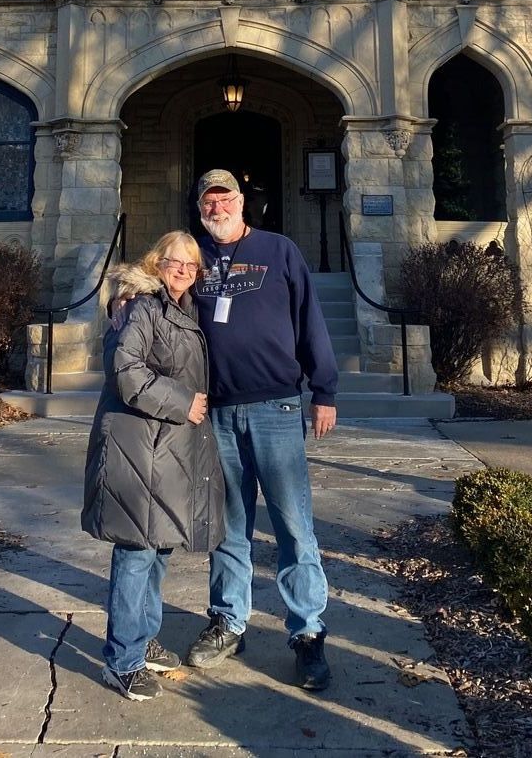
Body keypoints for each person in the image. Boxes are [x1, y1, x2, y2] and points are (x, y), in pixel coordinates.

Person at [186, 170, 338, 691]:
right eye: (208, 199)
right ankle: (229, 621)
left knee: (293, 525)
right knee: (228, 527)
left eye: (225, 196)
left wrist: (325, 389)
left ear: (242, 201)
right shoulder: (192, 257)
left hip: (275, 408)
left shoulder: (279, 250)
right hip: (217, 413)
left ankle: (307, 632)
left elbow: (309, 317)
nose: (217, 206)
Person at [81, 230, 225, 701]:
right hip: (137, 447)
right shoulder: (141, 307)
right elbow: (126, 371)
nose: (183, 270)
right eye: (174, 262)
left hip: (167, 450)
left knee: (158, 547)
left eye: (191, 265)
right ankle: (121, 660)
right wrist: (183, 401)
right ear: (156, 262)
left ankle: (142, 640)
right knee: (136, 551)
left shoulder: (184, 307)